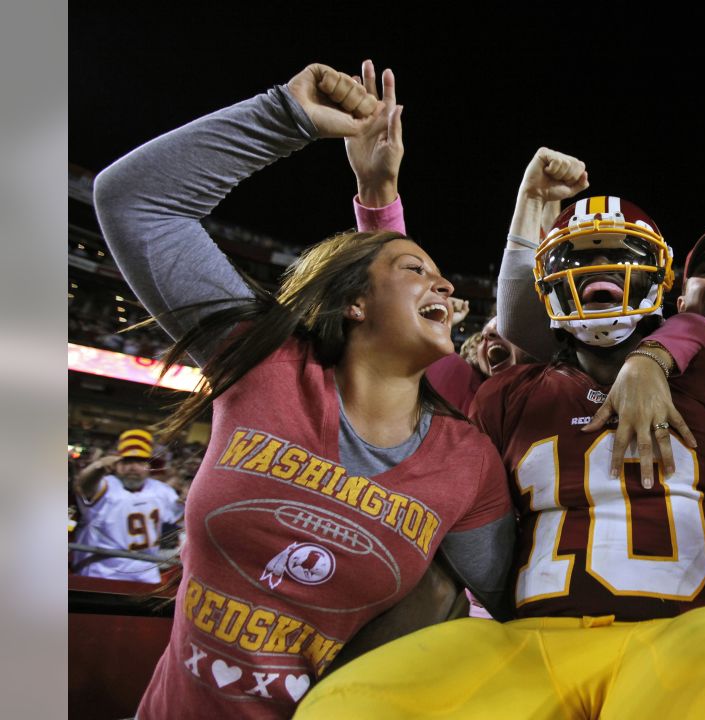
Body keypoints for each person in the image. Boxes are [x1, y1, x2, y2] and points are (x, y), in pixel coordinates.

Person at [297, 193, 705, 719]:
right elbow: (452, 540)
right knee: (351, 705)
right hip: (530, 643)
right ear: (547, 287)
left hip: (691, 635)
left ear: (659, 278)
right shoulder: (508, 395)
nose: (599, 273)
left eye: (618, 256)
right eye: (577, 260)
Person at [92, 61, 514, 718]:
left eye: (443, 280)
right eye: (417, 270)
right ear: (353, 305)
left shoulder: (468, 462)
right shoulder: (266, 363)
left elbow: (522, 604)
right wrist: (280, 116)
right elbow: (134, 202)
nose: (446, 288)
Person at [71, 428, 182, 584]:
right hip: (102, 571)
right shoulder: (105, 485)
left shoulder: (161, 490)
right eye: (127, 461)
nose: (132, 467)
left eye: (140, 461)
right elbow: (84, 486)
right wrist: (98, 466)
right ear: (115, 464)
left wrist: (188, 496)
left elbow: (186, 516)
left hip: (146, 573)